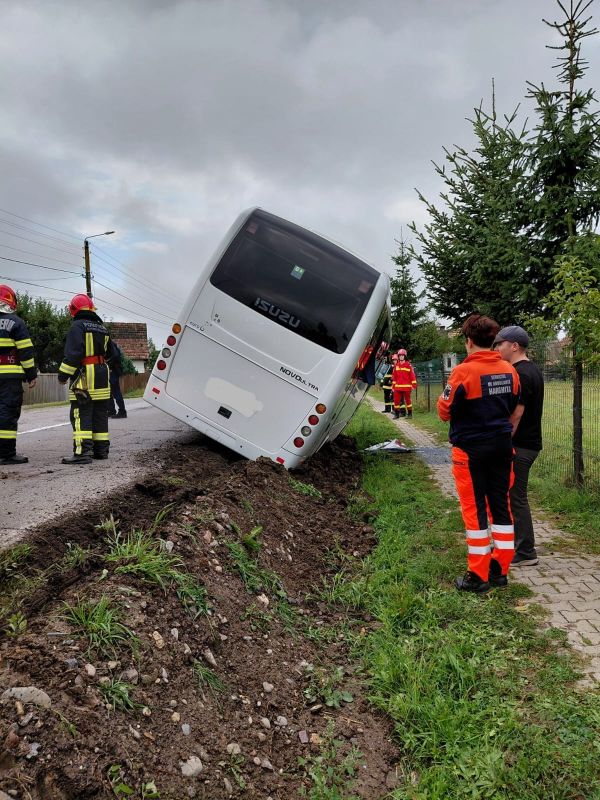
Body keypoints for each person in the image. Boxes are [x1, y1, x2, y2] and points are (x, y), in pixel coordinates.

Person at [437, 313, 520, 593]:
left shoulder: (463, 372)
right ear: (493, 340)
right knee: (501, 506)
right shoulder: (510, 371)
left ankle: (478, 575)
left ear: (468, 341)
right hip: (501, 447)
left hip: (471, 451)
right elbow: (513, 404)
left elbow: (443, 411)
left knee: (475, 511)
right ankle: (500, 570)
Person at [493, 325, 544, 567]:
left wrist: (504, 443)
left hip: (521, 444)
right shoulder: (528, 368)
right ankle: (517, 544)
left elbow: (517, 414)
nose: (497, 348)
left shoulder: (521, 373)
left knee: (517, 497)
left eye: (500, 343)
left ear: (514, 346)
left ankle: (525, 552)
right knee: (514, 495)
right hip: (527, 443)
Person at [58, 294, 115, 464]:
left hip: (84, 377)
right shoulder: (102, 327)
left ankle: (82, 453)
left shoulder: (77, 326)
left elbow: (73, 354)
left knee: (80, 413)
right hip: (102, 375)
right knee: (99, 414)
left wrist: (63, 375)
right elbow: (112, 354)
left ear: (73, 310)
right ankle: (101, 450)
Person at [0, 284, 37, 465]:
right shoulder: (16, 323)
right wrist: (31, 374)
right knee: (7, 413)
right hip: (9, 378)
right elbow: (25, 352)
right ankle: (6, 454)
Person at [392, 349, 417, 418]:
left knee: (408, 401)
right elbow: (394, 377)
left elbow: (412, 375)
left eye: (402, 355)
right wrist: (393, 386)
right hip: (397, 387)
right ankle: (396, 414)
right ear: (398, 356)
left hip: (407, 387)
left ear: (405, 356)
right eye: (400, 356)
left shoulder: (408, 365)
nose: (401, 357)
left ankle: (410, 414)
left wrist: (413, 385)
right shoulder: (396, 365)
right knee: (396, 401)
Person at [107, 341, 127, 419]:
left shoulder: (110, 344)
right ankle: (111, 411)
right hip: (111, 370)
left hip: (113, 371)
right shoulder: (110, 344)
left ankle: (122, 411)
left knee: (115, 391)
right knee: (109, 392)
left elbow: (115, 356)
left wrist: (108, 365)